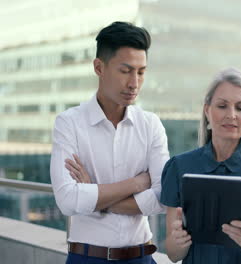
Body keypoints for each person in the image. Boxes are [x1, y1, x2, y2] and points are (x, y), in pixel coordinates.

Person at [50, 21, 169, 264]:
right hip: (87, 258)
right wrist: (136, 183)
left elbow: (163, 197)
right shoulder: (69, 123)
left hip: (142, 257)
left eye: (141, 72)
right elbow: (68, 200)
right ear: (99, 67)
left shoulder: (151, 125)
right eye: (125, 71)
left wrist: (94, 197)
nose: (134, 83)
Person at [160, 67, 241, 264]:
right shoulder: (179, 167)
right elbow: (173, 254)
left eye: (240, 107)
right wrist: (179, 242)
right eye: (222, 106)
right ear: (207, 111)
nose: (232, 115)